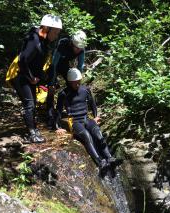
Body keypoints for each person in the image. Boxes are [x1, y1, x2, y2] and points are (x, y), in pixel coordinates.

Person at [55, 68, 120, 174]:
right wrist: (58, 127)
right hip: (74, 122)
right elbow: (58, 111)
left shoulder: (85, 90)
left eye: (78, 82)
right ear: (69, 82)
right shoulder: (63, 94)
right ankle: (100, 162)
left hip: (86, 118)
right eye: (74, 82)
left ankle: (110, 158)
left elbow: (92, 104)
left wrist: (96, 116)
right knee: (86, 135)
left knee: (98, 133)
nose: (77, 84)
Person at [11, 14, 62, 143]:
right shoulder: (33, 39)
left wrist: (45, 80)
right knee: (29, 104)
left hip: (29, 76)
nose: (56, 35)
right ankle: (32, 134)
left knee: (31, 103)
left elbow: (38, 64)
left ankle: (33, 129)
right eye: (55, 32)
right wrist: (31, 77)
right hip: (19, 74)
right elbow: (23, 60)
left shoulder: (44, 41)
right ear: (46, 28)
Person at [46, 30, 87, 128]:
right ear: (72, 43)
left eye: (80, 48)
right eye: (76, 48)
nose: (78, 50)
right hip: (54, 64)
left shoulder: (81, 48)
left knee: (71, 85)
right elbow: (54, 64)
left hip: (64, 64)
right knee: (51, 88)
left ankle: (71, 110)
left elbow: (80, 66)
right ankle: (50, 116)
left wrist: (78, 80)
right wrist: (52, 82)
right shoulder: (63, 44)